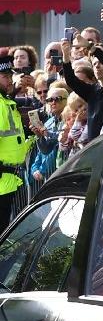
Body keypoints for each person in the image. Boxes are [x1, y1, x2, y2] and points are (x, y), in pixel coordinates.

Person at [0, 52, 33, 228]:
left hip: (9, 180)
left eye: (10, 76)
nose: (10, 80)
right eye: (5, 76)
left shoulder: (6, 102)